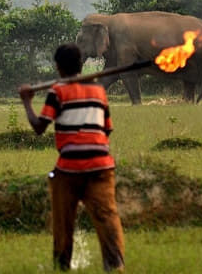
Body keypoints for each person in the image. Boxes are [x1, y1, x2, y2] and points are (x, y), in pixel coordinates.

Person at [18, 44, 124, 272]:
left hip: (69, 170)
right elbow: (107, 129)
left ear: (58, 67)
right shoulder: (99, 91)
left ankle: (62, 265)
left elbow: (39, 127)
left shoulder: (57, 92)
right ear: (79, 65)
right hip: (101, 166)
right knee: (107, 217)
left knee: (63, 222)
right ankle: (115, 265)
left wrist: (26, 101)